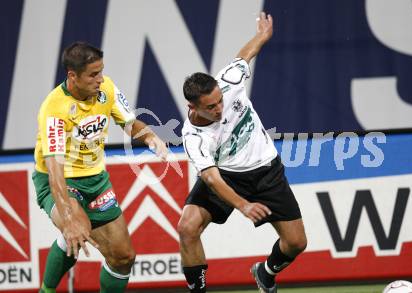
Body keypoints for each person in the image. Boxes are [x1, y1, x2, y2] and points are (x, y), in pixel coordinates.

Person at [178, 12, 307, 293]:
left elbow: (244, 56)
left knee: (296, 243)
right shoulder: (193, 137)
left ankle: (266, 273)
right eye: (210, 107)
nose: (219, 108)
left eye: (219, 101)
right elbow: (212, 180)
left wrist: (262, 36)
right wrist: (243, 205)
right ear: (192, 107)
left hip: (266, 171)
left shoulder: (228, 82)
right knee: (187, 228)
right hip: (226, 177)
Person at [32, 42, 167, 293]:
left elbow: (129, 122)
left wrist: (150, 137)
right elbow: (54, 171)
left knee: (124, 257)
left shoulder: (107, 88)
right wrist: (68, 218)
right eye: (93, 74)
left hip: (96, 180)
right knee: (78, 229)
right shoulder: (54, 109)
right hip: (61, 180)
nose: (100, 79)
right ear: (72, 76)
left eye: (101, 71)